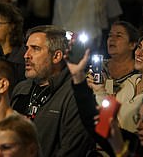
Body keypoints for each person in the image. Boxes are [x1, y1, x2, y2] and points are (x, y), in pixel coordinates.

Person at [11, 25, 94, 157]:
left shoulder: (75, 95)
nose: (26, 55)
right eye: (27, 49)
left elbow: (72, 150)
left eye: (36, 49)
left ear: (56, 56)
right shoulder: (21, 89)